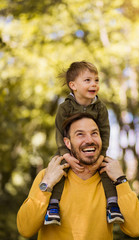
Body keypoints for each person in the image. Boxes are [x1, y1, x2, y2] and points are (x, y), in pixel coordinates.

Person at [17, 113, 139, 240]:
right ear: (67, 143)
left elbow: (136, 229)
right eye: (80, 134)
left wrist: (121, 180)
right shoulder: (47, 177)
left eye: (94, 133)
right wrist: (48, 183)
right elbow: (25, 229)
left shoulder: (112, 180)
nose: (89, 140)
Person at [46, 61, 122, 225]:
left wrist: (102, 156)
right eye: (87, 80)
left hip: (95, 152)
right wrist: (65, 154)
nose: (94, 84)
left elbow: (105, 132)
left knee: (106, 168)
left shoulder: (100, 108)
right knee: (60, 168)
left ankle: (112, 204)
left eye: (96, 80)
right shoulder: (65, 108)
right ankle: (53, 207)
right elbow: (59, 132)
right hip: (68, 150)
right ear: (73, 85)